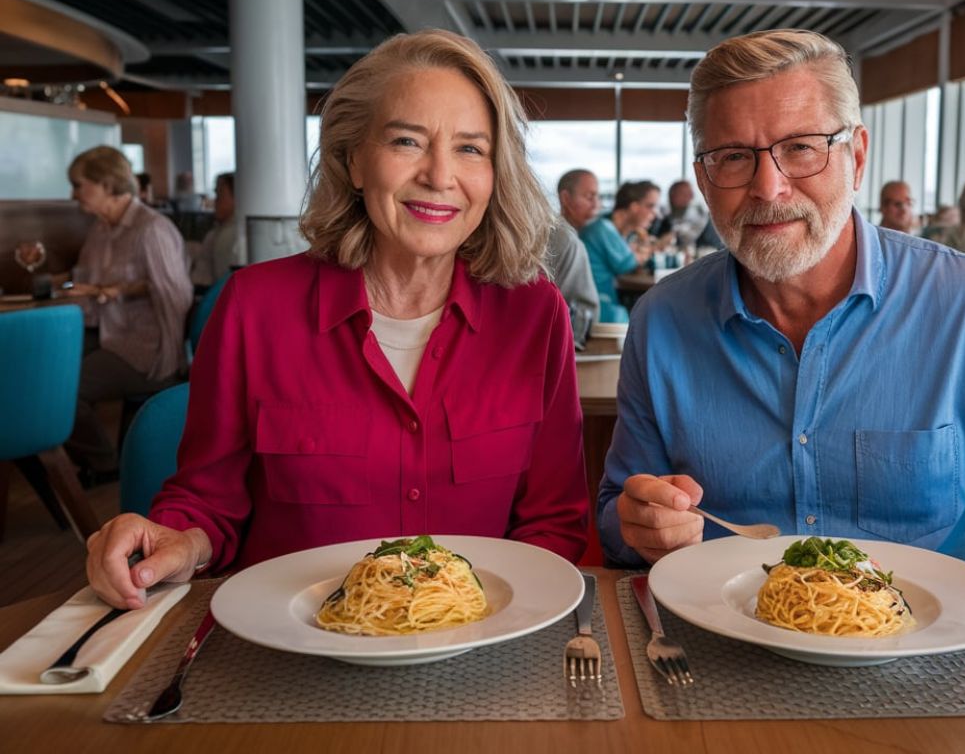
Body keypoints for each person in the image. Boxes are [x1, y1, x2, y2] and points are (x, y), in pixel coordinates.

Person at [597, 29, 965, 620]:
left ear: (857, 156)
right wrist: (639, 524)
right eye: (733, 157)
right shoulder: (662, 322)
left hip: (938, 662)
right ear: (703, 177)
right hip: (718, 654)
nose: (769, 188)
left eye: (801, 147)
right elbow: (620, 508)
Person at [86, 30, 590, 610]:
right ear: (352, 159)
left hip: (481, 648)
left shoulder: (534, 313)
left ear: (496, 173)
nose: (440, 175)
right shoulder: (254, 307)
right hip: (290, 655)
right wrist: (179, 540)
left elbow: (553, 522)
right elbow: (208, 504)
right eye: (407, 141)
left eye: (471, 149)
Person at [62, 146, 193, 480]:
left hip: (145, 349)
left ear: (107, 184)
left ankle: (106, 466)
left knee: (61, 390)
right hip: (106, 333)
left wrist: (170, 362)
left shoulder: (151, 229)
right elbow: (88, 286)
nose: (73, 193)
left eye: (79, 184)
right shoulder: (101, 229)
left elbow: (175, 297)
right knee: (41, 372)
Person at [580, 180, 657, 322]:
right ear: (634, 207)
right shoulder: (603, 228)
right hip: (598, 308)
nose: (655, 213)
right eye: (650, 206)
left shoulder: (610, 228)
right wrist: (645, 251)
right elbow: (627, 264)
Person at [546, 169, 600, 328]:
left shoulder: (560, 231)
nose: (596, 204)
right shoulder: (567, 240)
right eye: (589, 197)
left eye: (598, 197)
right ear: (565, 198)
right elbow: (584, 316)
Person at [190, 171, 239, 287]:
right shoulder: (217, 232)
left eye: (219, 194)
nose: (215, 201)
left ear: (237, 198)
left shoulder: (230, 236)